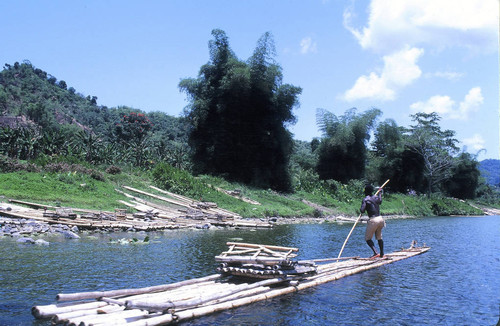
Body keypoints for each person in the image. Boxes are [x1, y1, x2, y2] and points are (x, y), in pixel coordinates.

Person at [360, 184, 385, 258]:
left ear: (366, 191)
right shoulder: (376, 197)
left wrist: (361, 207)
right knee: (379, 237)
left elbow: (362, 210)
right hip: (380, 219)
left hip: (373, 220)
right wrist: (380, 193)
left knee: (368, 239)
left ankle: (375, 252)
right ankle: (382, 254)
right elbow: (380, 201)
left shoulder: (365, 199)